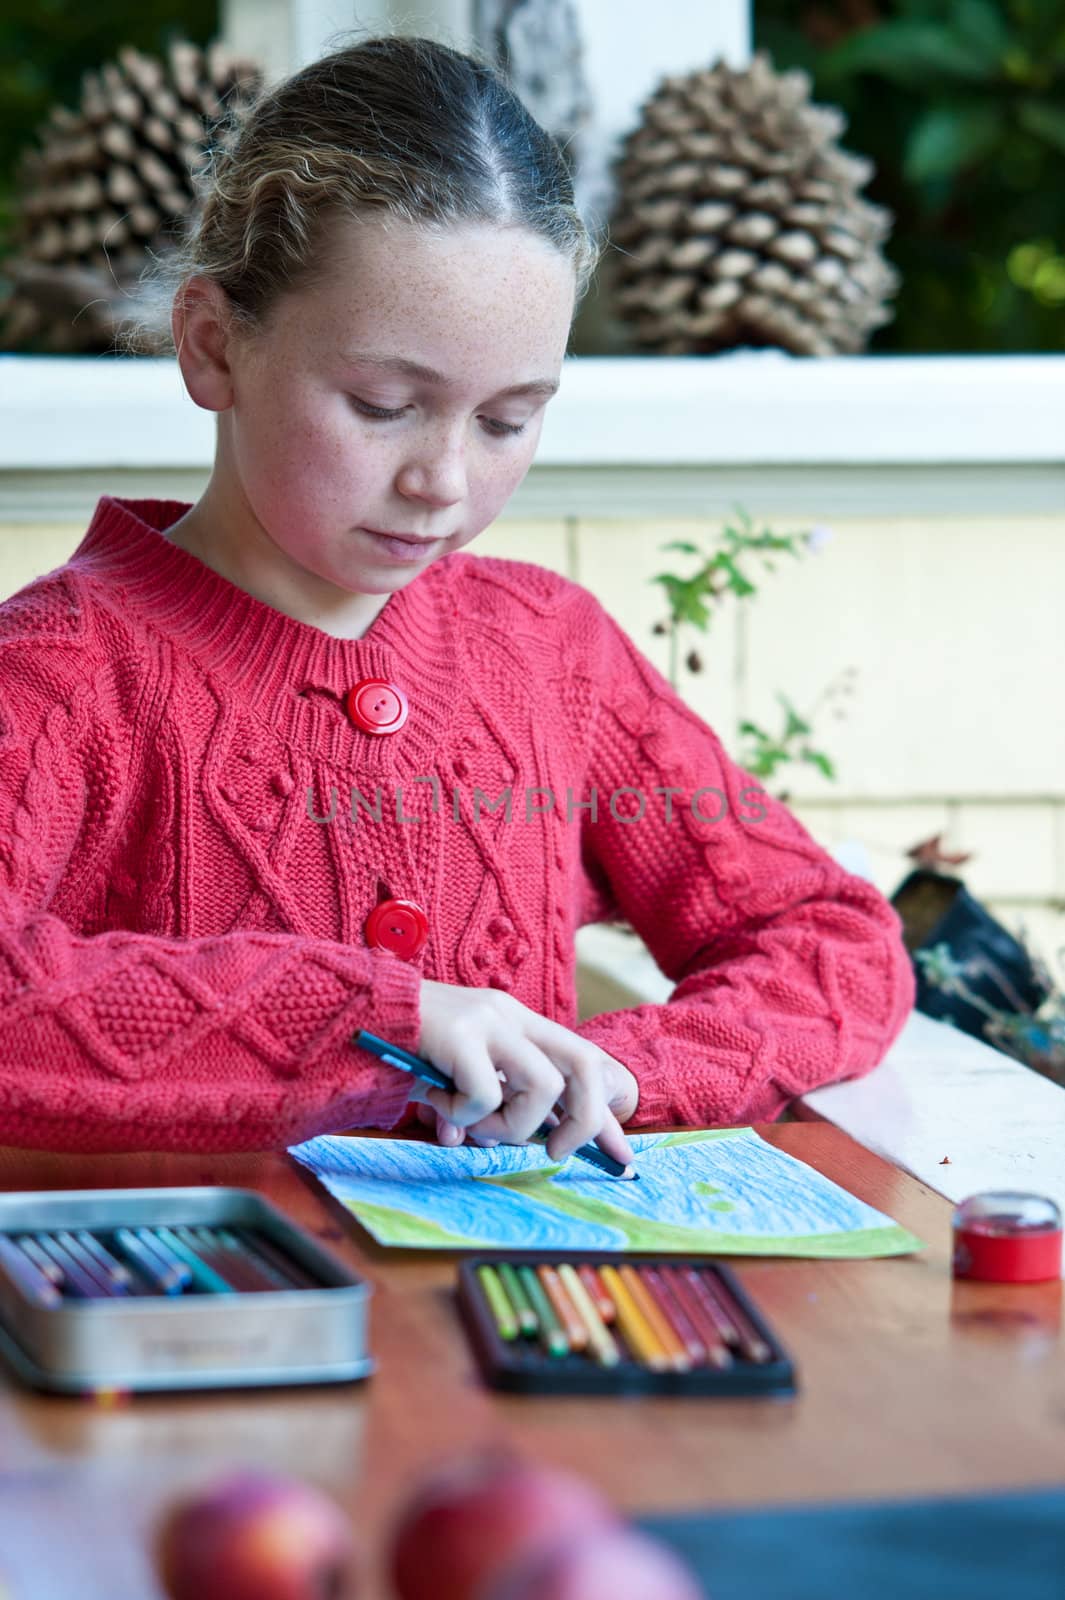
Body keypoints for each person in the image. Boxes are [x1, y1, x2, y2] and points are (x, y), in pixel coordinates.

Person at [0, 33, 914, 1158]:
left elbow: (832, 937)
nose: (443, 480)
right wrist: (372, 1017)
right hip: (204, 1321)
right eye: (384, 404)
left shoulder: (550, 652)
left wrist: (625, 1071)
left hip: (529, 1321)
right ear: (212, 347)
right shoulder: (57, 668)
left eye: (507, 419)